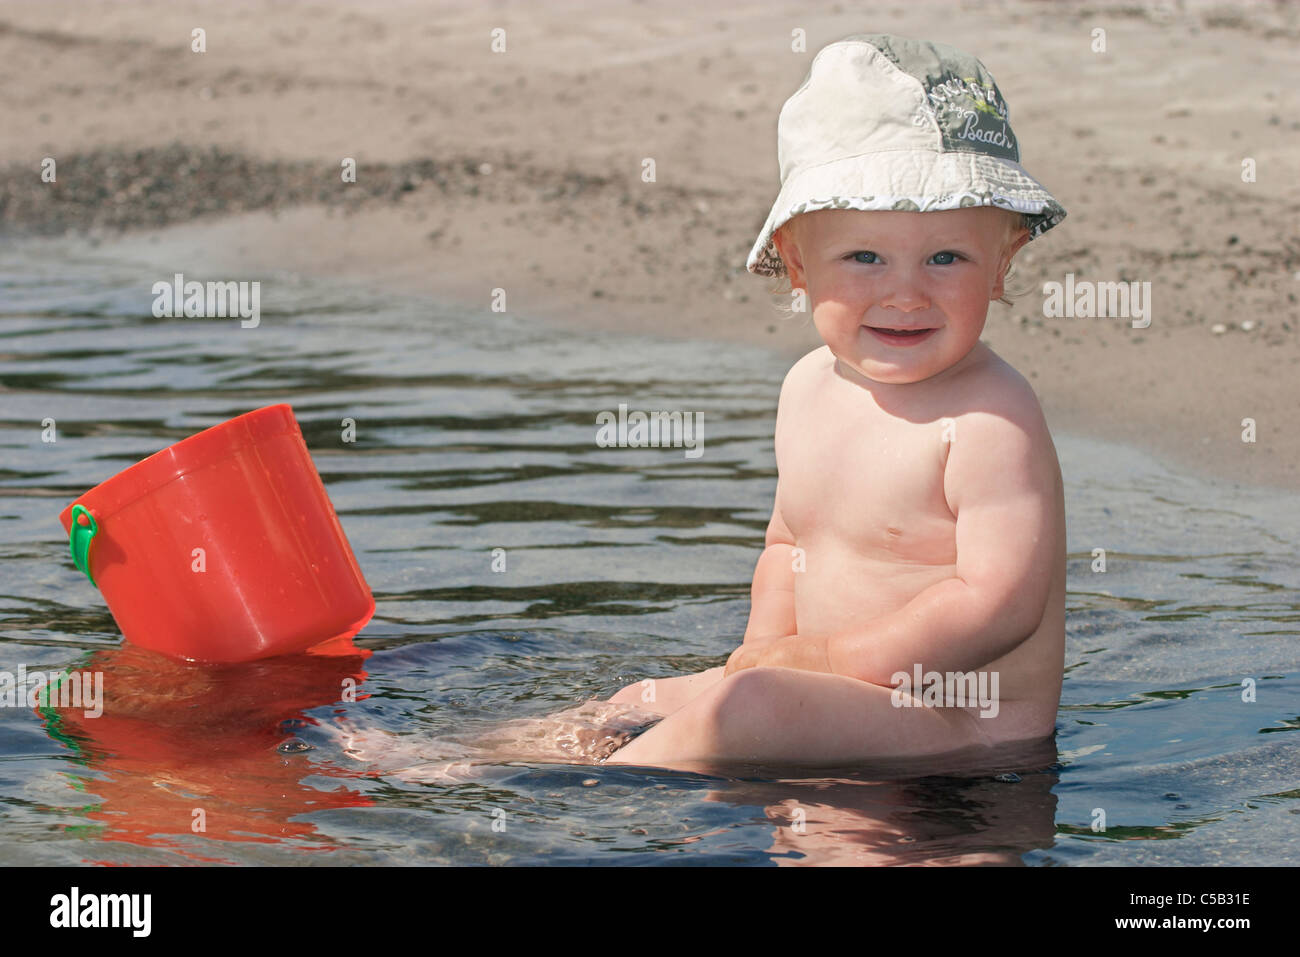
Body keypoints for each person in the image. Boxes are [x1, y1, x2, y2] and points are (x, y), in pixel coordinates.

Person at [604, 33, 1069, 770]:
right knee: (639, 696)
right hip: (836, 695)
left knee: (746, 711)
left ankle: (582, 800)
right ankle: (478, 760)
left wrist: (819, 659)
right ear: (796, 261)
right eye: (865, 257)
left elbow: (998, 603)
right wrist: (763, 650)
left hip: (966, 730)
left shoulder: (991, 419)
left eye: (946, 257)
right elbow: (790, 544)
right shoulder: (806, 388)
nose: (906, 293)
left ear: (1003, 262)